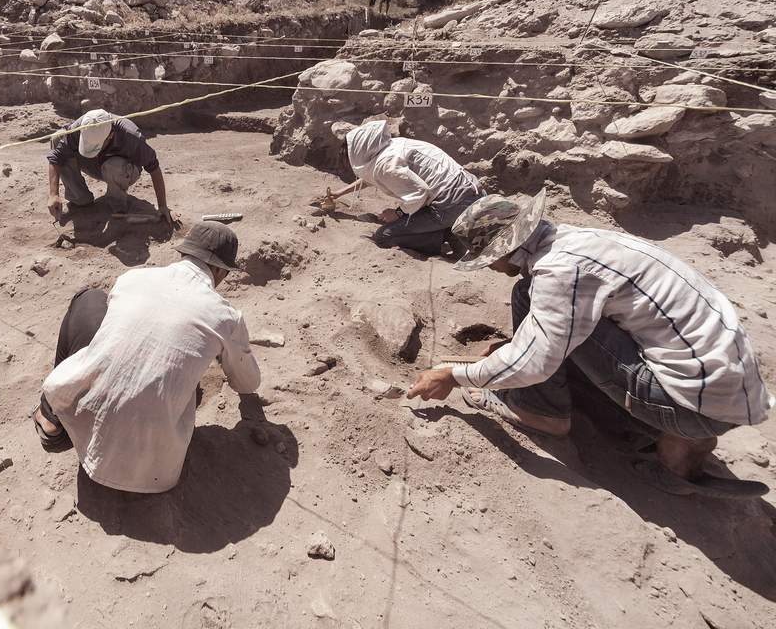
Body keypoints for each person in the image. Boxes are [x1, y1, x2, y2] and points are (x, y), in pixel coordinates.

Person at [407, 190, 774, 496]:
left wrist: (455, 376)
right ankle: (679, 439)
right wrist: (515, 343)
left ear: (503, 250)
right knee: (541, 302)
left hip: (691, 404)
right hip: (728, 390)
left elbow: (535, 363)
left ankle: (542, 413)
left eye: (485, 259)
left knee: (536, 309)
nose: (487, 268)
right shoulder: (578, 241)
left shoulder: (560, 272)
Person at [32, 221, 261, 493]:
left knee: (90, 300)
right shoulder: (227, 317)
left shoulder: (133, 278)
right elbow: (248, 383)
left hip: (81, 432)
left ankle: (53, 414)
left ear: (184, 254)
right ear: (220, 271)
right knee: (186, 387)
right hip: (155, 473)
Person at [327, 119, 485, 255]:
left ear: (358, 152)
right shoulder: (391, 146)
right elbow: (373, 176)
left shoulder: (386, 163)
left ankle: (444, 234)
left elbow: (419, 193)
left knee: (385, 236)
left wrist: (397, 213)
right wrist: (340, 193)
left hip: (452, 203)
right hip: (469, 190)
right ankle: (445, 227)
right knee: (406, 219)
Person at [46, 108, 176, 224]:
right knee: (57, 138)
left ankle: (117, 204)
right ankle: (80, 198)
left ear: (110, 136)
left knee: (114, 166)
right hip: (96, 163)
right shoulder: (83, 126)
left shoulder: (131, 136)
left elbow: (154, 167)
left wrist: (162, 205)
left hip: (124, 170)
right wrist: (53, 194)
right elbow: (56, 156)